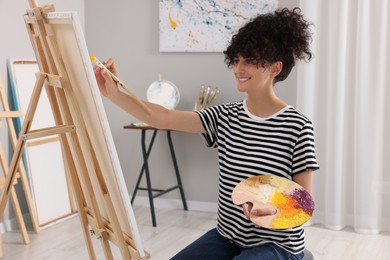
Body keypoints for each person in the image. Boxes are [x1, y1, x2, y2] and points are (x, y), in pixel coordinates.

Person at [94, 7, 319, 260]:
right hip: (228, 237)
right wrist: (113, 94)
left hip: (278, 245)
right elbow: (162, 116)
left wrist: (269, 210)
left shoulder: (297, 125)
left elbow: (303, 203)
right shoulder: (224, 116)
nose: (239, 68)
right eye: (237, 60)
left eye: (250, 61)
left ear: (276, 68)